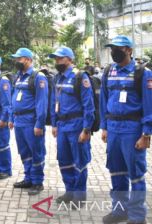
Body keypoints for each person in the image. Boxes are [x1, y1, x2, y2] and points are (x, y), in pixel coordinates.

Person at [100, 35, 152, 224]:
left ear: (129, 50)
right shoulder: (108, 71)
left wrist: (146, 133)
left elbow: (149, 104)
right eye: (112, 47)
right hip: (113, 129)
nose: (114, 51)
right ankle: (119, 210)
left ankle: (138, 217)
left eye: (119, 48)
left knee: (135, 174)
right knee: (116, 171)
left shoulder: (142, 73)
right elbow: (103, 100)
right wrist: (104, 127)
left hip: (132, 130)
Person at [49, 46, 95, 206]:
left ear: (69, 59)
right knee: (64, 160)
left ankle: (79, 196)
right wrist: (54, 124)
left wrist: (86, 129)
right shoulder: (57, 78)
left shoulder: (80, 77)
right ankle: (69, 192)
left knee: (79, 161)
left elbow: (88, 106)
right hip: (62, 126)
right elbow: (54, 102)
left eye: (60, 58)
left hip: (76, 126)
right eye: (55, 59)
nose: (57, 61)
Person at [9, 48, 48, 196]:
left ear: (28, 60)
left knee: (36, 152)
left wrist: (39, 124)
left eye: (19, 59)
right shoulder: (18, 77)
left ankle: (38, 182)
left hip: (31, 121)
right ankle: (28, 178)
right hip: (19, 120)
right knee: (24, 152)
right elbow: (14, 98)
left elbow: (41, 103)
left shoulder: (38, 77)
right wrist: (12, 118)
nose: (17, 61)